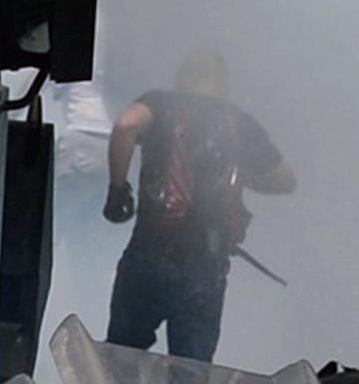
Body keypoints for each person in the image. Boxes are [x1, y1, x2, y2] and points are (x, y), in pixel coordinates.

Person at [100, 49, 295, 362]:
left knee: (120, 363)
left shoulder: (161, 104)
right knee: (190, 379)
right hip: (206, 268)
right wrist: (241, 176)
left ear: (182, 77)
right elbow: (286, 181)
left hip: (149, 255)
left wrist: (117, 190)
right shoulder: (240, 124)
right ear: (223, 85)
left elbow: (125, 126)